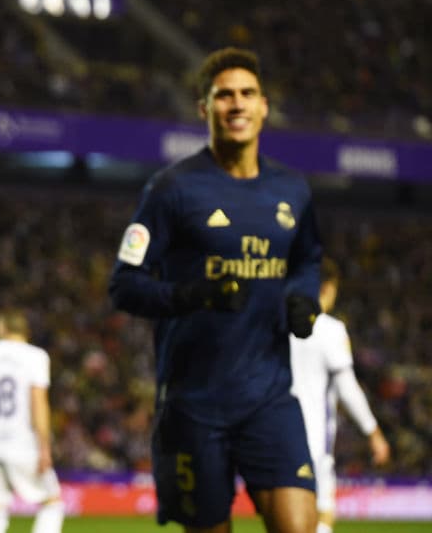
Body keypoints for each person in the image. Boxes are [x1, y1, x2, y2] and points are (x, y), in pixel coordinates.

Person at [109, 46, 324, 533]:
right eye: (224, 95)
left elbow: (307, 259)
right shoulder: (171, 190)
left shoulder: (293, 191)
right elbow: (123, 285)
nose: (237, 105)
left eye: (247, 94)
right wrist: (191, 295)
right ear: (205, 109)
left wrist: (304, 299)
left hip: (270, 399)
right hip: (193, 406)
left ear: (264, 105)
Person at [290, 256, 391, 533]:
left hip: (276, 438)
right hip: (313, 441)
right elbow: (347, 388)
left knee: (288, 518)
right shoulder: (330, 330)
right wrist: (374, 433)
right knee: (323, 516)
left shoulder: (277, 327)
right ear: (325, 288)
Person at [0, 310, 65, 533]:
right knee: (52, 503)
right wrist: (44, 447)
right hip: (22, 441)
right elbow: (38, 404)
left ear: (2, 327)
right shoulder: (35, 356)